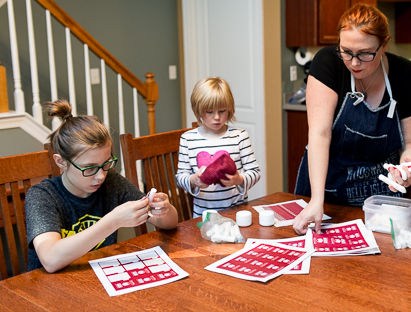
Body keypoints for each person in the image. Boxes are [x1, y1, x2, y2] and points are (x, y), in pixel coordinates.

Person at [292, 3, 411, 235]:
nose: (354, 63)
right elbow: (319, 134)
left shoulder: (407, 76)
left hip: (380, 195)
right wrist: (317, 199)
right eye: (346, 51)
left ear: (384, 44)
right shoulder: (328, 63)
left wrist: (407, 169)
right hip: (324, 188)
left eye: (365, 53)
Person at [25, 100, 178, 273]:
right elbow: (50, 259)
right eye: (89, 168)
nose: (101, 176)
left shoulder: (111, 181)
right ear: (61, 162)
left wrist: (164, 210)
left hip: (98, 277)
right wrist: (113, 221)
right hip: (48, 290)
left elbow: (170, 223)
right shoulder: (42, 195)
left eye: (106, 164)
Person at [176, 77, 261, 218]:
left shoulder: (239, 136)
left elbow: (255, 172)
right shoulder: (188, 139)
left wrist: (238, 179)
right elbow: (180, 177)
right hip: (203, 216)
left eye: (222, 111)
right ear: (198, 110)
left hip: (237, 213)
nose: (217, 117)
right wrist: (193, 180)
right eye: (209, 112)